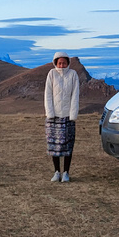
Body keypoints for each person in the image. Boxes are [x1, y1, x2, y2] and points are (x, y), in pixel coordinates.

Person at [44, 50, 80, 182]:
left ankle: (66, 172)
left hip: (67, 117)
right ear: (55, 63)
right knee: (54, 146)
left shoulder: (73, 75)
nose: (62, 65)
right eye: (59, 63)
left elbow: (75, 95)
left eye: (64, 63)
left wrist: (73, 114)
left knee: (67, 146)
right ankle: (56, 172)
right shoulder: (51, 74)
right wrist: (50, 113)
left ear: (68, 63)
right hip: (53, 117)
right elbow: (47, 94)